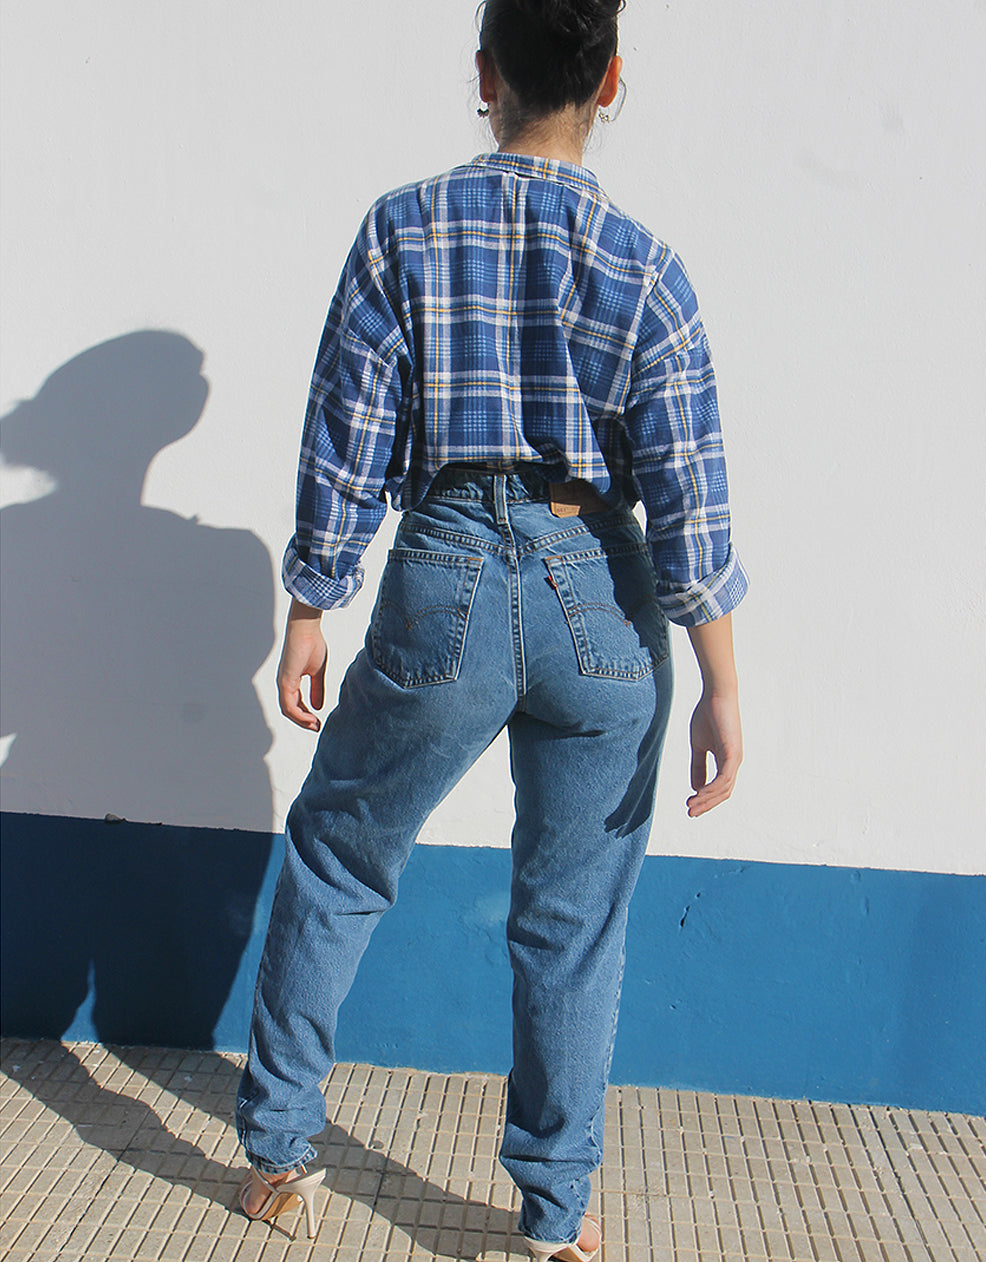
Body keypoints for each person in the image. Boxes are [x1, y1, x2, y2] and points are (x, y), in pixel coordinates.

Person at [234, 1, 747, 1257]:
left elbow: (343, 439)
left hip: (444, 572)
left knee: (341, 859)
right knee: (571, 924)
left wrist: (311, 601)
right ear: (611, 79)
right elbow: (687, 494)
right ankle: (556, 1223)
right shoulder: (647, 267)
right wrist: (722, 682)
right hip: (601, 599)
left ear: (484, 74)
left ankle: (283, 1154)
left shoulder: (400, 231)